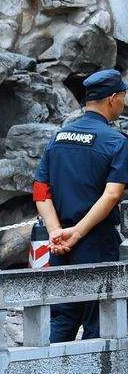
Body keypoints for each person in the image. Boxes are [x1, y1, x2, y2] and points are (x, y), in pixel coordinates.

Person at [33, 67, 128, 342]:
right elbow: (111, 195)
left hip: (59, 246)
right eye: (123, 96)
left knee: (61, 319)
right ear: (112, 99)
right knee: (99, 321)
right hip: (96, 244)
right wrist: (77, 232)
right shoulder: (116, 142)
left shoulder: (58, 137)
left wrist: (55, 232)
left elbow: (40, 191)